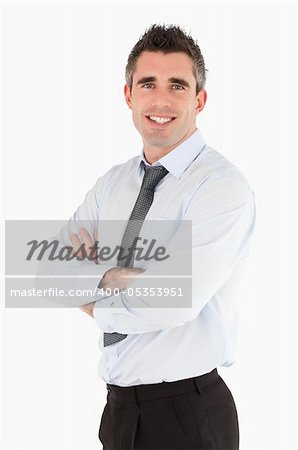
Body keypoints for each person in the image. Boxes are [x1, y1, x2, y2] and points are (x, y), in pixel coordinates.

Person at [57, 24, 256, 449]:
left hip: (189, 414)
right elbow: (53, 265)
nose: (161, 99)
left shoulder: (221, 188)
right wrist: (126, 278)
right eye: (148, 83)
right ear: (128, 95)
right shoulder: (112, 183)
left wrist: (95, 289)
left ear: (199, 100)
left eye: (177, 85)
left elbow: (170, 302)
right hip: (118, 411)